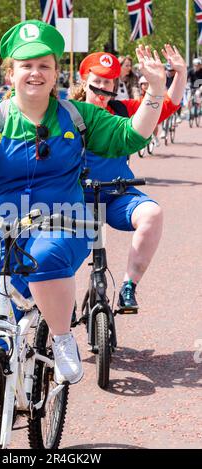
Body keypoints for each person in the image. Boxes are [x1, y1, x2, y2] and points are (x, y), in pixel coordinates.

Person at [0, 20, 168, 386]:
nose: (35, 73)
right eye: (26, 65)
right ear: (10, 73)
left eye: (44, 65)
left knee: (46, 259)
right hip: (1, 229)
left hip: (65, 224)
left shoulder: (79, 116)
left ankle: (63, 338)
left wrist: (155, 91)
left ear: (55, 74)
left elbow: (131, 136)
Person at [70, 45, 187, 313]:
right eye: (96, 81)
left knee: (152, 214)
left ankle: (128, 286)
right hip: (75, 197)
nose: (101, 88)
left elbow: (167, 106)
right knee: (62, 249)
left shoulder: (122, 109)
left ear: (115, 84)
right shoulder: (68, 112)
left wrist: (179, 74)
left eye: (107, 82)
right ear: (85, 82)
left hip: (116, 194)